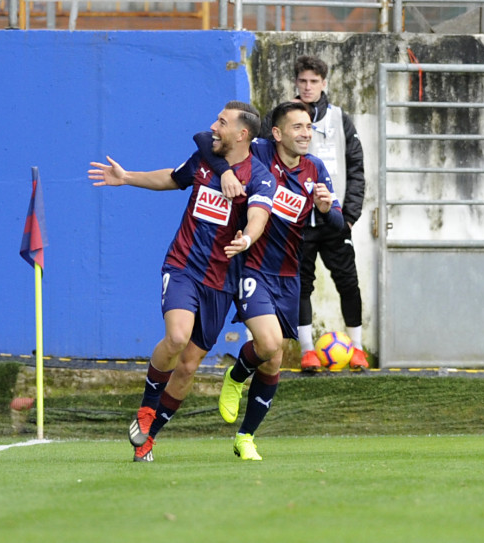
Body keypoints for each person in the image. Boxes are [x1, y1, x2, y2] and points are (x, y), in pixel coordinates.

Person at [88, 101, 275, 463]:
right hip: (183, 266)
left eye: (222, 122)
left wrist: (248, 239)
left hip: (221, 282)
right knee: (176, 336)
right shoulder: (207, 157)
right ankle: (146, 408)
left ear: (243, 134)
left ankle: (148, 436)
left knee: (188, 365)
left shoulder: (260, 176)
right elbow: (173, 178)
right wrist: (127, 177)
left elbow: (259, 216)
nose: (213, 126)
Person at [192, 100, 344, 460]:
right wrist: (225, 171)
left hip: (289, 275)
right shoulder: (258, 152)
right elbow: (203, 139)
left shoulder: (316, 169)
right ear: (276, 134)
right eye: (297, 127)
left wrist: (325, 210)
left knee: (274, 360)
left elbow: (337, 224)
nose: (306, 133)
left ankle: (246, 437)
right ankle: (234, 378)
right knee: (270, 342)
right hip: (253, 268)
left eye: (309, 127)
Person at [260, 55, 368, 372]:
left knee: (348, 283)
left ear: (324, 83)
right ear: (296, 82)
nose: (308, 87)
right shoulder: (280, 117)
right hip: (295, 223)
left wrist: (349, 215)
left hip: (333, 220)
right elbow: (263, 158)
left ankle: (358, 349)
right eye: (303, 81)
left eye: (314, 81)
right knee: (301, 285)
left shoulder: (339, 119)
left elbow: (357, 168)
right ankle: (308, 351)